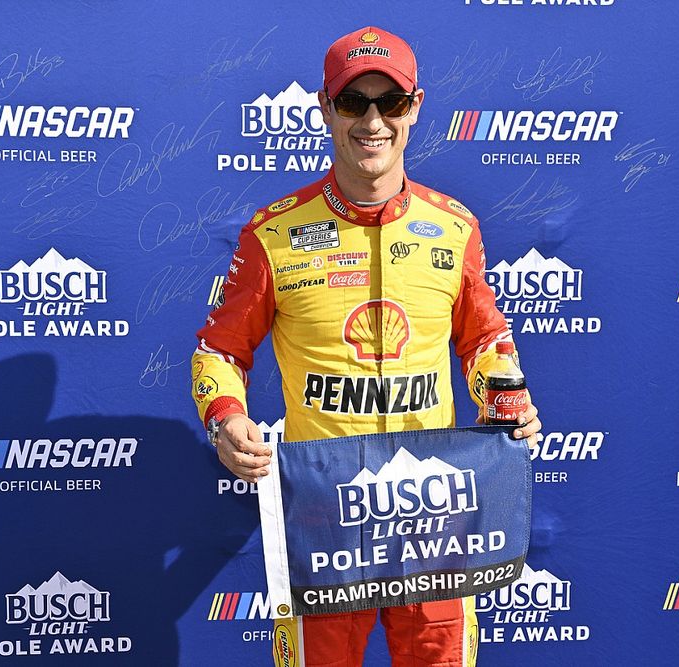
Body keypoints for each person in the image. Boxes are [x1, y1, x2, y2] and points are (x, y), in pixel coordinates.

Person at [191, 25, 541, 667]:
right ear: (325, 109)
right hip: (321, 516)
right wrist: (227, 418)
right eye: (354, 103)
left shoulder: (455, 227)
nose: (372, 121)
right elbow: (219, 352)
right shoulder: (273, 234)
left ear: (416, 108)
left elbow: (484, 336)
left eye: (391, 102)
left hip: (433, 510)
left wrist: (506, 393)